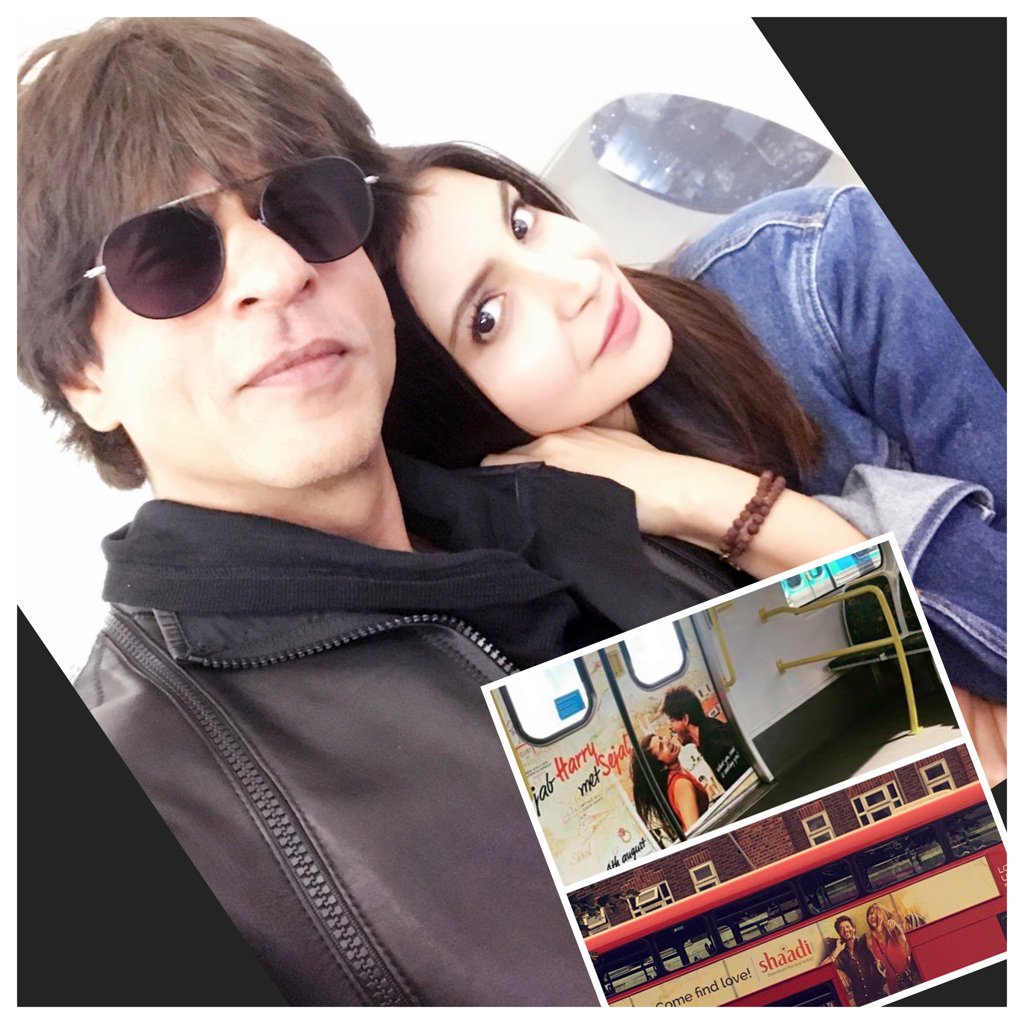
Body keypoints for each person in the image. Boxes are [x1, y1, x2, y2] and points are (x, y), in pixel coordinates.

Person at [17, 19, 753, 1007]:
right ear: (82, 375)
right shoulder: (142, 797)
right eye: (168, 256)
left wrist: (736, 510)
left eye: (303, 208)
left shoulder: (579, 490)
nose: (277, 272)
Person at [371, 142, 1007, 782]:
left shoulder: (818, 267)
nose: (577, 279)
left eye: (521, 223)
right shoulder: (550, 589)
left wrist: (713, 501)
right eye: (488, 317)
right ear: (448, 415)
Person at [662, 685, 749, 791]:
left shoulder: (715, 744)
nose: (670, 728)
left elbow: (742, 787)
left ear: (685, 719)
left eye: (672, 721)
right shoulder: (710, 734)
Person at [630, 731, 709, 836]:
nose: (666, 741)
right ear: (661, 766)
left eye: (661, 738)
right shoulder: (681, 784)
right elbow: (695, 831)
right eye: (662, 747)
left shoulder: (676, 778)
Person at [822, 914, 886, 1006]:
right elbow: (823, 969)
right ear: (839, 934)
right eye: (841, 929)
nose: (845, 930)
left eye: (847, 926)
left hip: (879, 995)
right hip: (861, 1001)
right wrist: (837, 950)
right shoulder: (841, 954)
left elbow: (881, 938)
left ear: (854, 928)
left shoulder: (864, 941)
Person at [865, 903, 919, 995]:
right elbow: (878, 961)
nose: (872, 916)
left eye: (875, 913)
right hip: (893, 981)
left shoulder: (894, 929)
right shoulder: (870, 939)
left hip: (910, 973)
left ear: (883, 914)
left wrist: (899, 930)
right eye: (870, 914)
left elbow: (908, 951)